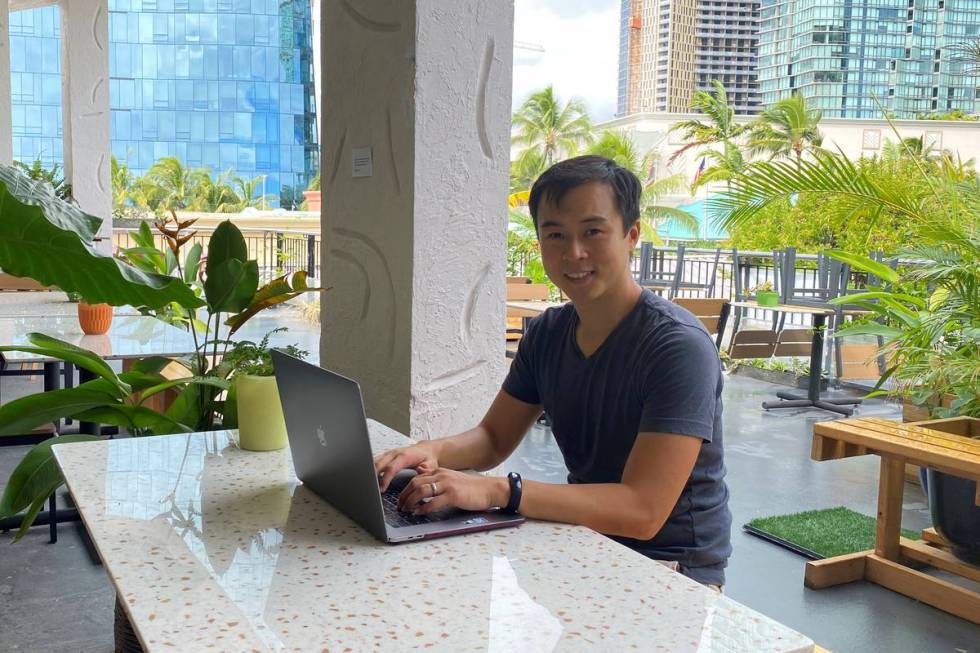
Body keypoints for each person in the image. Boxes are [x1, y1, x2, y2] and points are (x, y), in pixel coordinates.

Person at [373, 155, 731, 587]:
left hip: (671, 569)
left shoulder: (677, 347)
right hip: (586, 539)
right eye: (555, 234)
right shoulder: (548, 333)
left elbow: (643, 512)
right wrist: (429, 451)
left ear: (631, 234)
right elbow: (492, 439)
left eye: (593, 232)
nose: (574, 253)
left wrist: (500, 490)